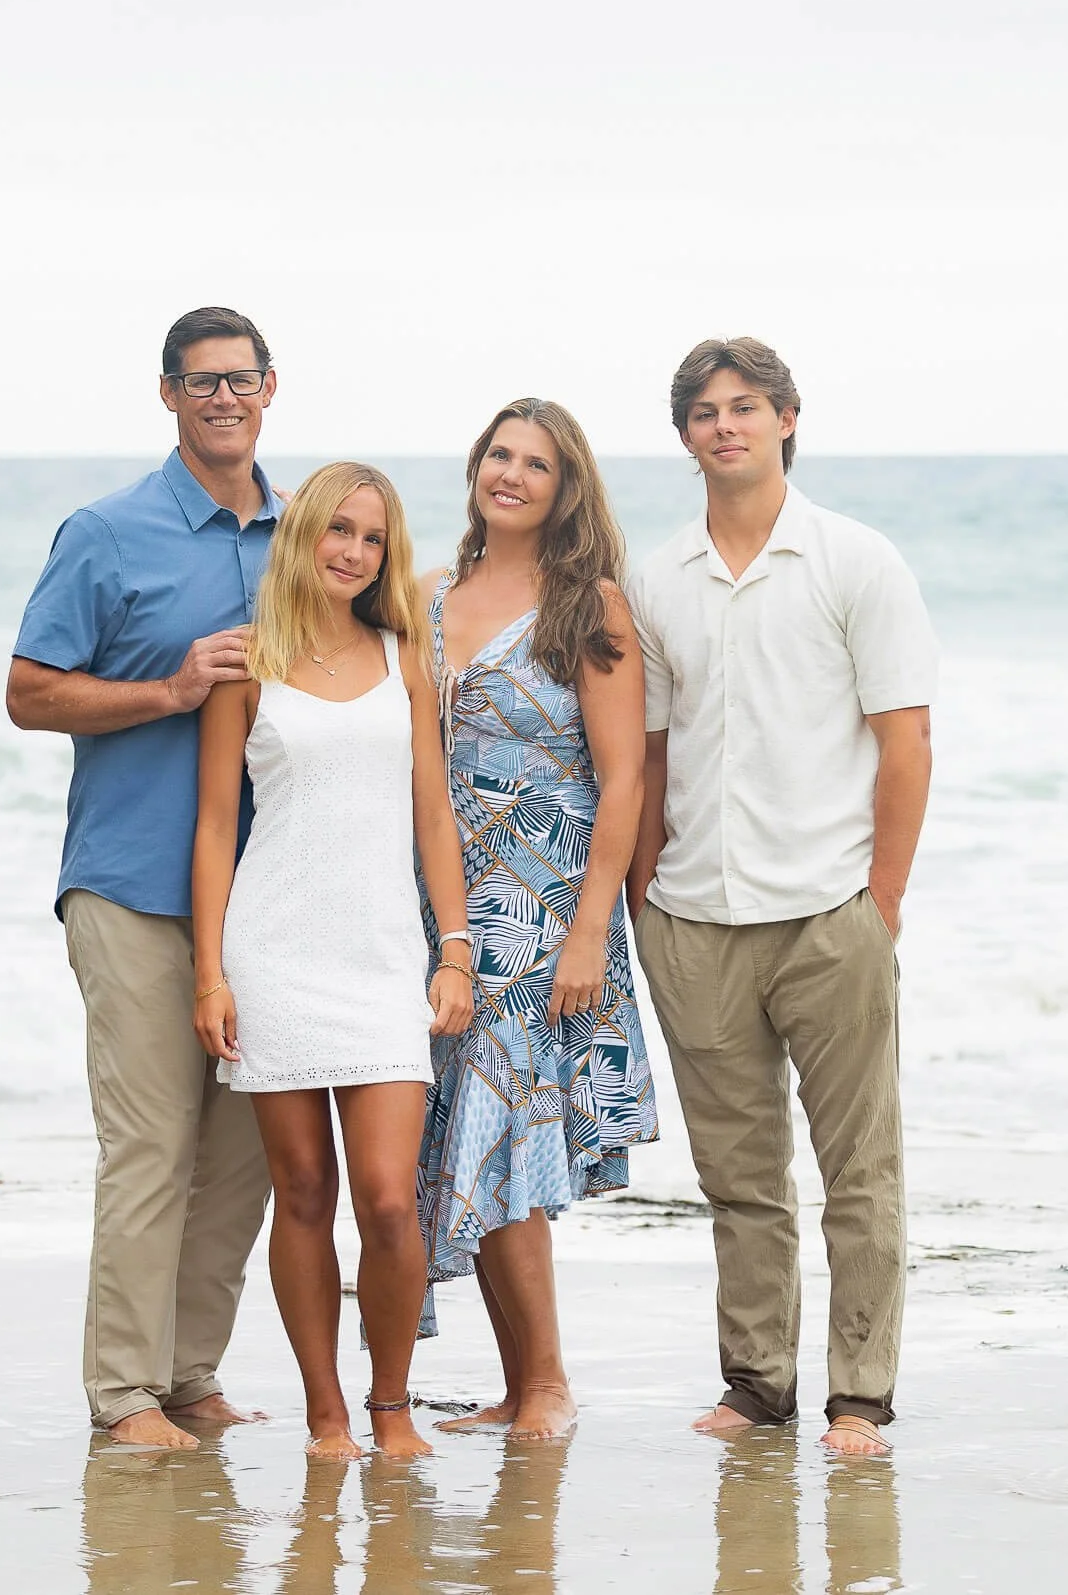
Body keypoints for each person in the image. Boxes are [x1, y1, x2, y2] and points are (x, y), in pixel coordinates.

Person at [624, 337, 936, 1459]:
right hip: (693, 916)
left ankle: (861, 1393)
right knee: (739, 1177)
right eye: (704, 412)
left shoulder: (857, 560)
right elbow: (648, 759)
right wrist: (641, 905)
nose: (724, 426)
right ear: (685, 437)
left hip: (827, 913)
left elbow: (905, 744)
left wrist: (879, 905)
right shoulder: (657, 577)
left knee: (862, 1171)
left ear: (788, 418)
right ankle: (757, 1384)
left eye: (744, 406)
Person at [4, 307, 281, 1451]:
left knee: (245, 1156)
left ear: (272, 388)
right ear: (167, 395)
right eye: (200, 381)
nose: (223, 397)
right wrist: (168, 690)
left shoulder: (310, 533)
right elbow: (28, 691)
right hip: (128, 885)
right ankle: (123, 1392)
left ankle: (188, 1370)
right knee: (154, 1144)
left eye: (242, 378)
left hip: (268, 897)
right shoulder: (105, 534)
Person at [190, 461, 476, 1461]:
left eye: (372, 536)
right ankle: (325, 1413)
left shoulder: (405, 656)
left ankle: (391, 1403)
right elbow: (217, 824)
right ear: (303, 533)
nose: (353, 551)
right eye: (337, 530)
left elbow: (433, 813)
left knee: (389, 1197)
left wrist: (454, 947)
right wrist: (211, 974)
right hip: (272, 950)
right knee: (303, 1193)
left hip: (383, 951)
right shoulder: (248, 661)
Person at [416, 397, 656, 1441]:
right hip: (442, 904)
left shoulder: (587, 603)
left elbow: (625, 775)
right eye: (499, 455)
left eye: (537, 464)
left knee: (505, 1116)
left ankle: (547, 1381)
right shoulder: (425, 595)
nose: (511, 474)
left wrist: (592, 928)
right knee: (468, 1127)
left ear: (565, 491)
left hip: (543, 898)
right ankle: (518, 1383)